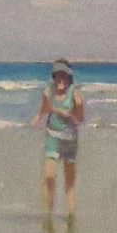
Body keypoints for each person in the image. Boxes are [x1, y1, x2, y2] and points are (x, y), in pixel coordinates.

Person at [32, 59, 85, 217]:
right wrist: (38, 118)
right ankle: (48, 213)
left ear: (69, 78)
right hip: (53, 136)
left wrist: (69, 113)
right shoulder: (49, 91)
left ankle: (71, 217)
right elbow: (45, 108)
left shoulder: (75, 94)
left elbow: (80, 119)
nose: (61, 80)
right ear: (54, 77)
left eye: (64, 76)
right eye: (58, 76)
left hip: (69, 140)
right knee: (49, 176)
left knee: (69, 182)